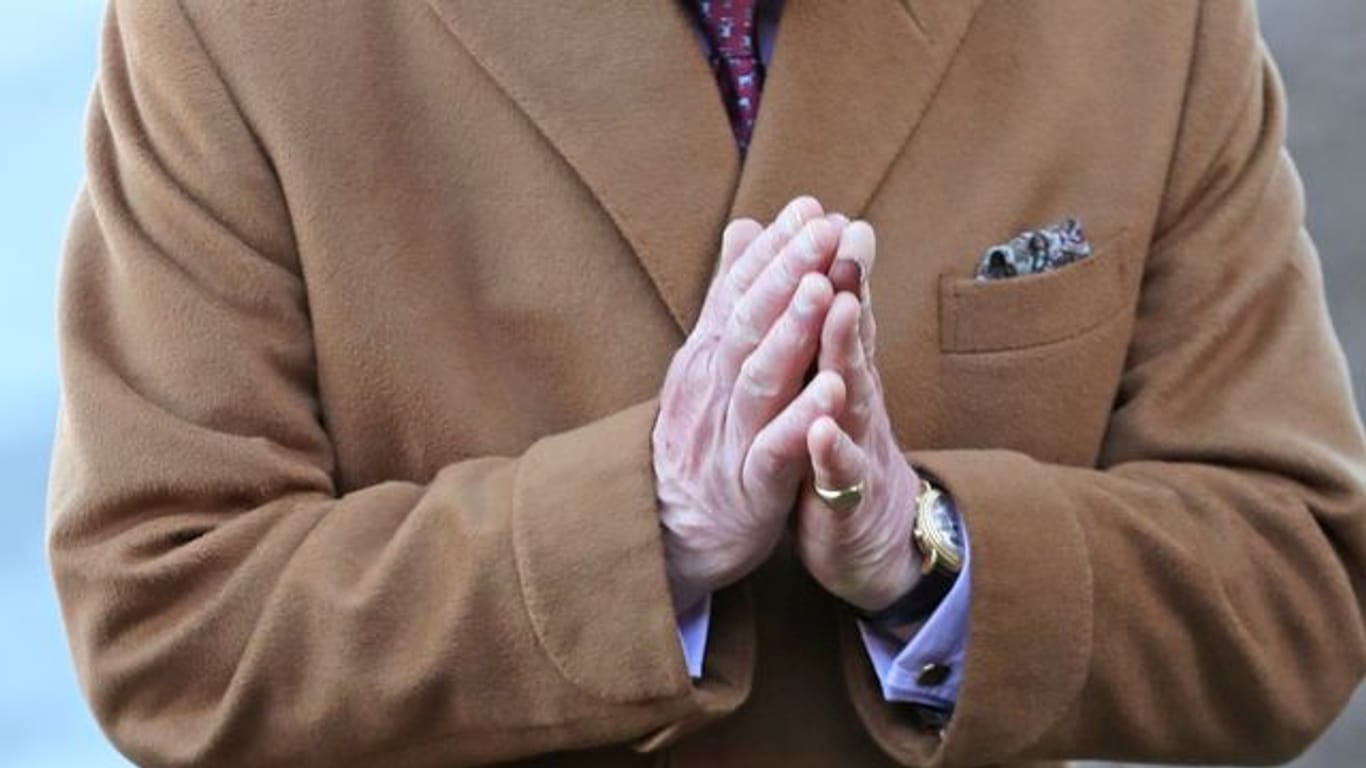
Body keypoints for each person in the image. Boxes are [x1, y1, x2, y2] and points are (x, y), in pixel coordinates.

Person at [47, 1, 1366, 766]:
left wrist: (929, 551)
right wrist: (647, 532)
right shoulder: (228, 26)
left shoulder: (1148, 20)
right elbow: (169, 615)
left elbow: (1297, 581)